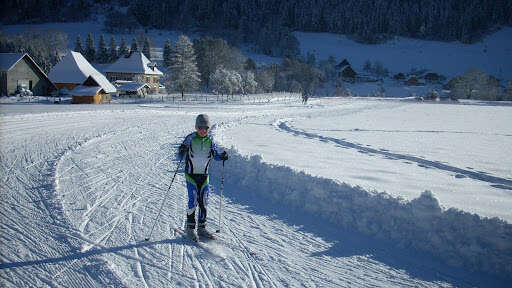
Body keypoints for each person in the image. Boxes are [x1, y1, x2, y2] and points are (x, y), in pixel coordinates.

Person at [178, 114, 228, 241]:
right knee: (193, 201)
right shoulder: (190, 138)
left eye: (205, 128)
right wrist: (182, 150)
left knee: (204, 202)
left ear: (208, 128)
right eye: (200, 127)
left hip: (204, 176)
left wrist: (222, 156)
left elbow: (215, 155)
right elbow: (180, 153)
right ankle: (190, 228)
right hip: (191, 175)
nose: (202, 130)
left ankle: (201, 228)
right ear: (196, 127)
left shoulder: (210, 141)